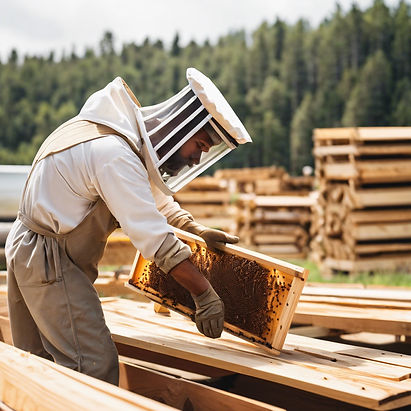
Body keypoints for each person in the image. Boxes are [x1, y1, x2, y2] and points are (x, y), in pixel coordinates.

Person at [5, 68, 252, 385]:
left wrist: (195, 228)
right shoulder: (114, 153)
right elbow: (154, 239)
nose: (195, 160)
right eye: (199, 145)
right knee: (92, 369)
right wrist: (204, 294)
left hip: (29, 246)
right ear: (178, 128)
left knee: (38, 368)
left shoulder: (119, 138)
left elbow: (152, 201)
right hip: (48, 259)